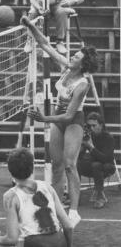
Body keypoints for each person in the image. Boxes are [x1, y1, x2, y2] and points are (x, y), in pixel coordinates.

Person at [20, 15, 101, 228]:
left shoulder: (82, 85)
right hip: (58, 118)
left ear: (83, 64)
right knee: (56, 166)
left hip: (73, 121)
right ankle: (55, 208)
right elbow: (45, 44)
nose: (72, 56)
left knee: (69, 166)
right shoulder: (66, 67)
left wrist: (43, 118)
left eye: (76, 56)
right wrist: (30, 26)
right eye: (73, 55)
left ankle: (73, 211)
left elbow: (68, 116)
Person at [0, 148, 73, 247]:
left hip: (36, 243)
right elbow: (68, 226)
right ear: (32, 168)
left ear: (10, 170)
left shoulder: (10, 196)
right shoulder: (47, 187)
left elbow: (12, 239)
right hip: (59, 240)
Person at [77, 112, 116, 209]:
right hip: (93, 165)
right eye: (89, 126)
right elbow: (78, 157)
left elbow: (105, 159)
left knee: (96, 165)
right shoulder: (89, 136)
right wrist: (82, 146)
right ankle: (76, 194)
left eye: (94, 125)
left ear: (101, 125)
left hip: (108, 166)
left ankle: (100, 196)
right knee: (75, 164)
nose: (91, 128)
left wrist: (90, 146)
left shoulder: (108, 138)